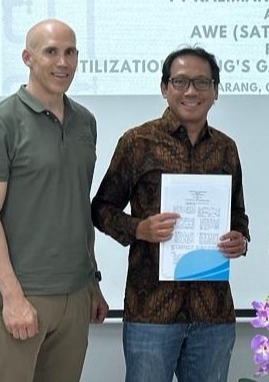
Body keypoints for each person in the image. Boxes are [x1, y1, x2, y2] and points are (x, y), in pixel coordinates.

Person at [91, 47, 249, 382]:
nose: (191, 91)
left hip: (213, 313)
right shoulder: (137, 142)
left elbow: (238, 214)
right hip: (151, 312)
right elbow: (101, 209)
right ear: (164, 88)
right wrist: (139, 228)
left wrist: (240, 239)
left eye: (202, 82)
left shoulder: (226, 148)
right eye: (180, 82)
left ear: (215, 91)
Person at [0, 18, 109, 382]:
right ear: (27, 58)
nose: (63, 62)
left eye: (70, 52)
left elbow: (76, 207)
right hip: (20, 295)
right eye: (51, 52)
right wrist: (12, 297)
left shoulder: (85, 122)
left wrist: (91, 283)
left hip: (75, 293)